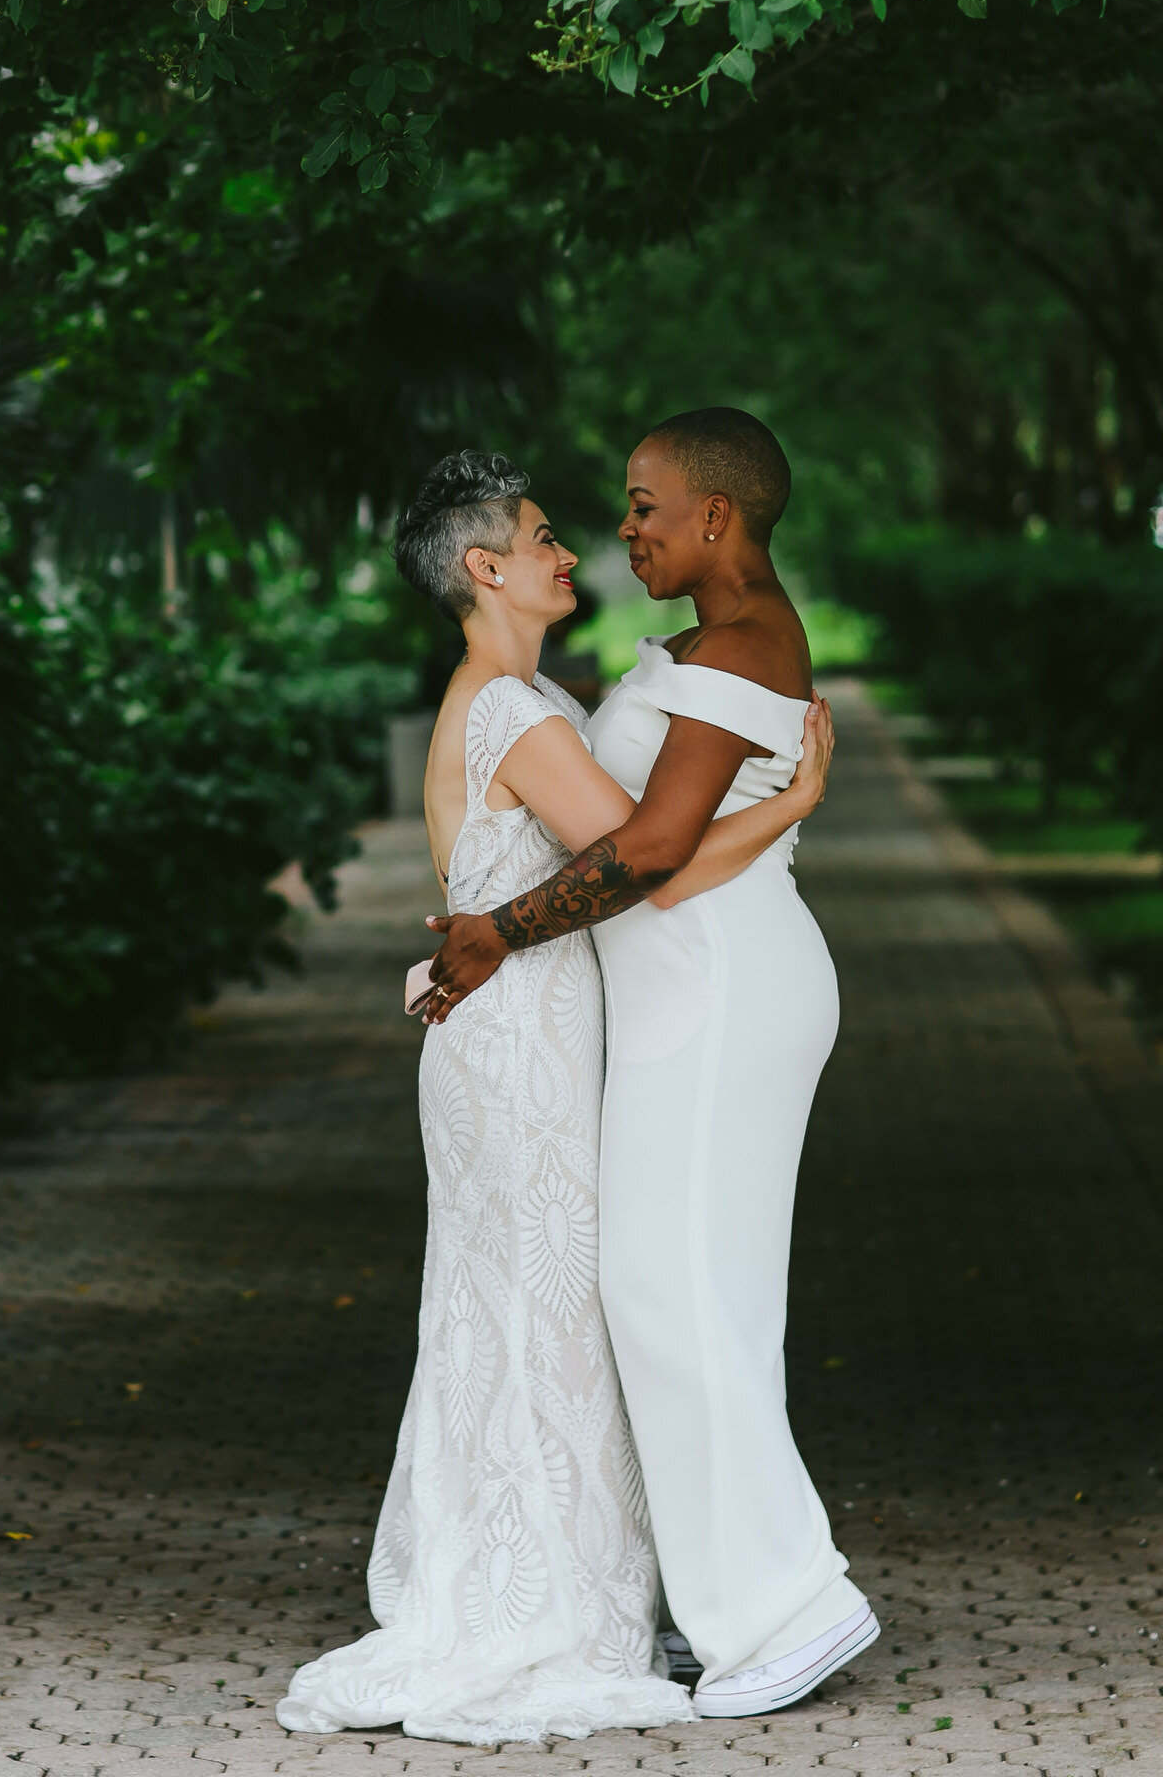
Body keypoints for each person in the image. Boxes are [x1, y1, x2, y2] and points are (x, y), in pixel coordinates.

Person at [277, 450, 837, 1745]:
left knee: (533, 1308)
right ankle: (549, 1603)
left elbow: (648, 849)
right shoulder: (513, 710)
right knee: (542, 1311)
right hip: (518, 1036)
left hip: (529, 1024)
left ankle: (576, 1585)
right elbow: (647, 857)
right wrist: (795, 803)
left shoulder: (522, 694)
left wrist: (781, 806)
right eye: (542, 538)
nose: (573, 549)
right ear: (485, 569)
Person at [423, 410, 878, 1718]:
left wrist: (491, 937)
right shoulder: (708, 647)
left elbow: (647, 851)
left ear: (716, 517)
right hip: (696, 992)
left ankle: (785, 1611)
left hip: (725, 989)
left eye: (642, 506)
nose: (623, 531)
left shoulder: (743, 645)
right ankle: (720, 1597)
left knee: (671, 1292)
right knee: (683, 1292)